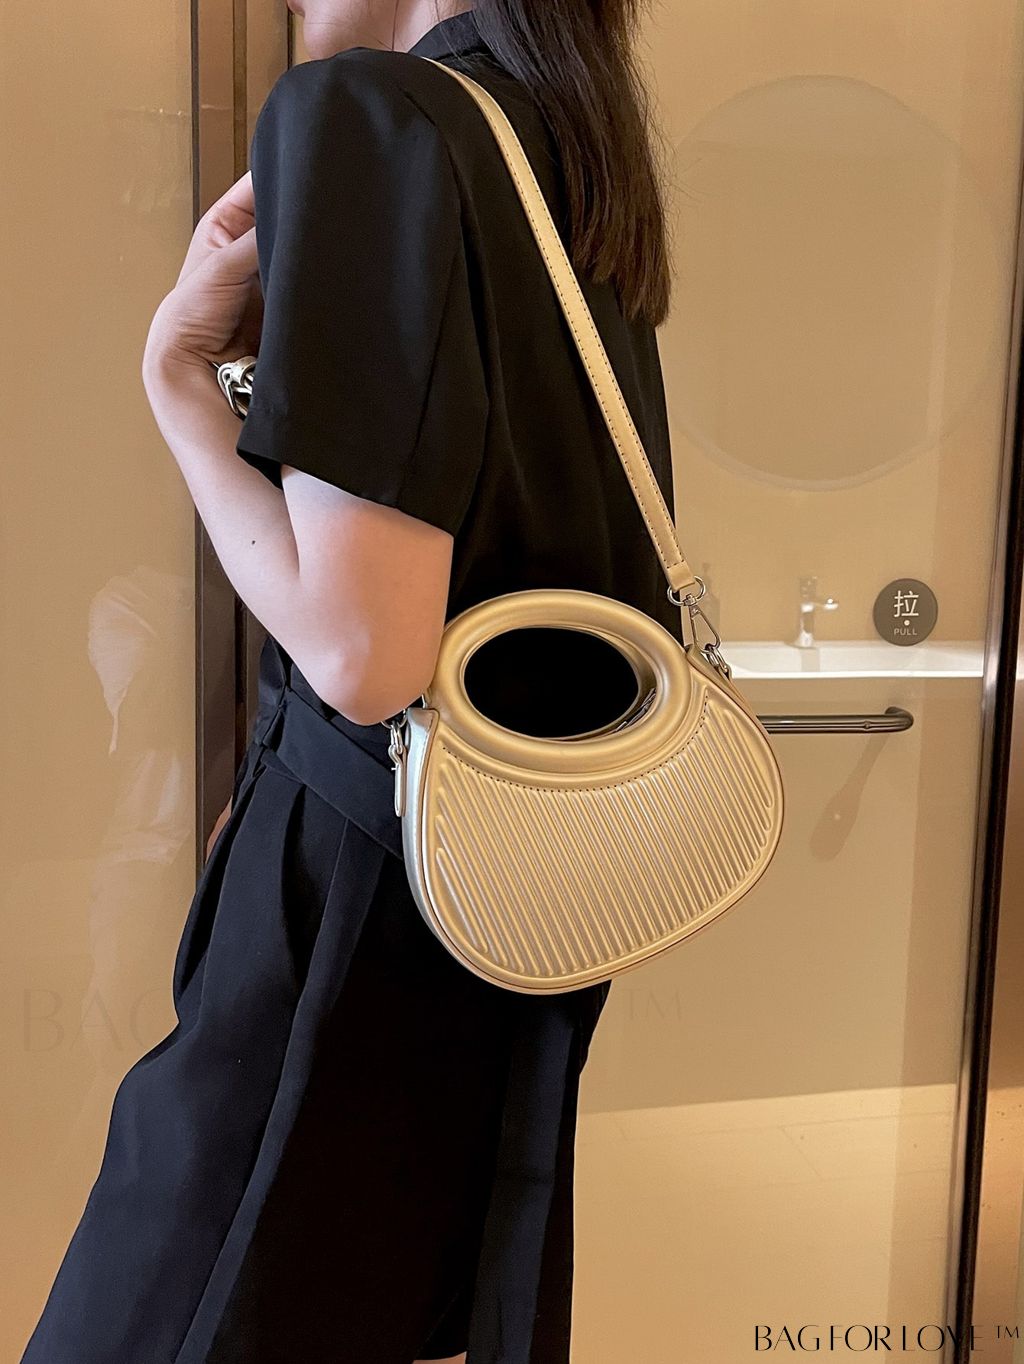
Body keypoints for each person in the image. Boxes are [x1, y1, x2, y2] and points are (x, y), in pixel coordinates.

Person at [20, 1, 682, 1360]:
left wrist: (179, 383)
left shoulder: (371, 115)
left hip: (346, 917)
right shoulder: (564, 154)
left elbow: (361, 654)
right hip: (500, 916)